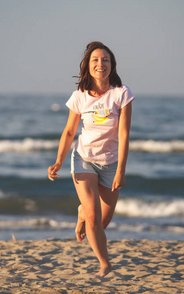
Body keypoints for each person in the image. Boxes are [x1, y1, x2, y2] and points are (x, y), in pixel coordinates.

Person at [48, 41, 134, 277]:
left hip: (111, 163)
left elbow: (124, 134)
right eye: (95, 60)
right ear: (88, 65)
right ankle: (104, 263)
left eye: (105, 60)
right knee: (94, 219)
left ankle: (81, 213)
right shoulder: (79, 96)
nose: (100, 64)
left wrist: (121, 171)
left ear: (112, 65)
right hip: (83, 159)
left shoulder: (121, 94)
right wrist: (59, 161)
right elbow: (68, 132)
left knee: (101, 222)